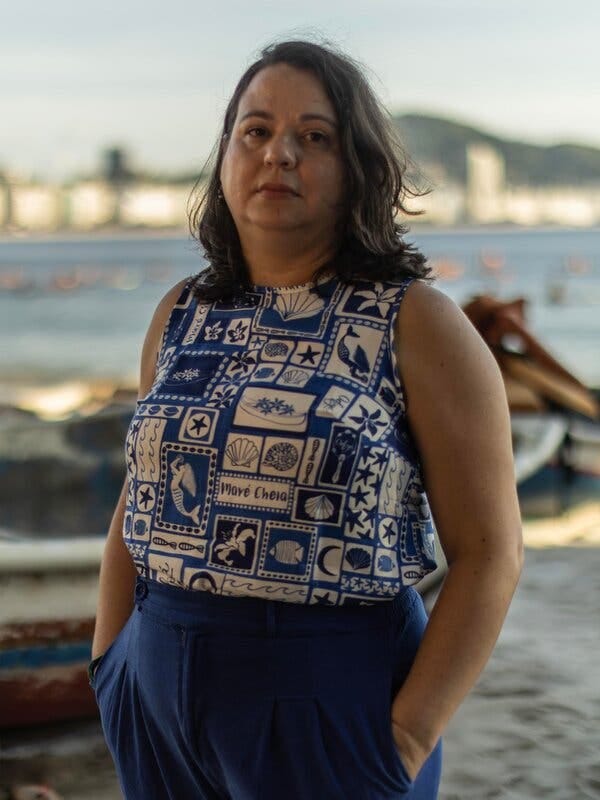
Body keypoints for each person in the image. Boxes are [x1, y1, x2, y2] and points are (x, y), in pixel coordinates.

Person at [89, 39, 523, 799]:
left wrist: (408, 737)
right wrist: (111, 659)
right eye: (255, 131)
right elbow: (145, 485)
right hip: (153, 686)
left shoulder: (416, 323)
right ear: (226, 157)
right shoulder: (181, 314)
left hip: (330, 699)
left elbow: (491, 553)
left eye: (313, 137)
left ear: (357, 166)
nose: (278, 154)